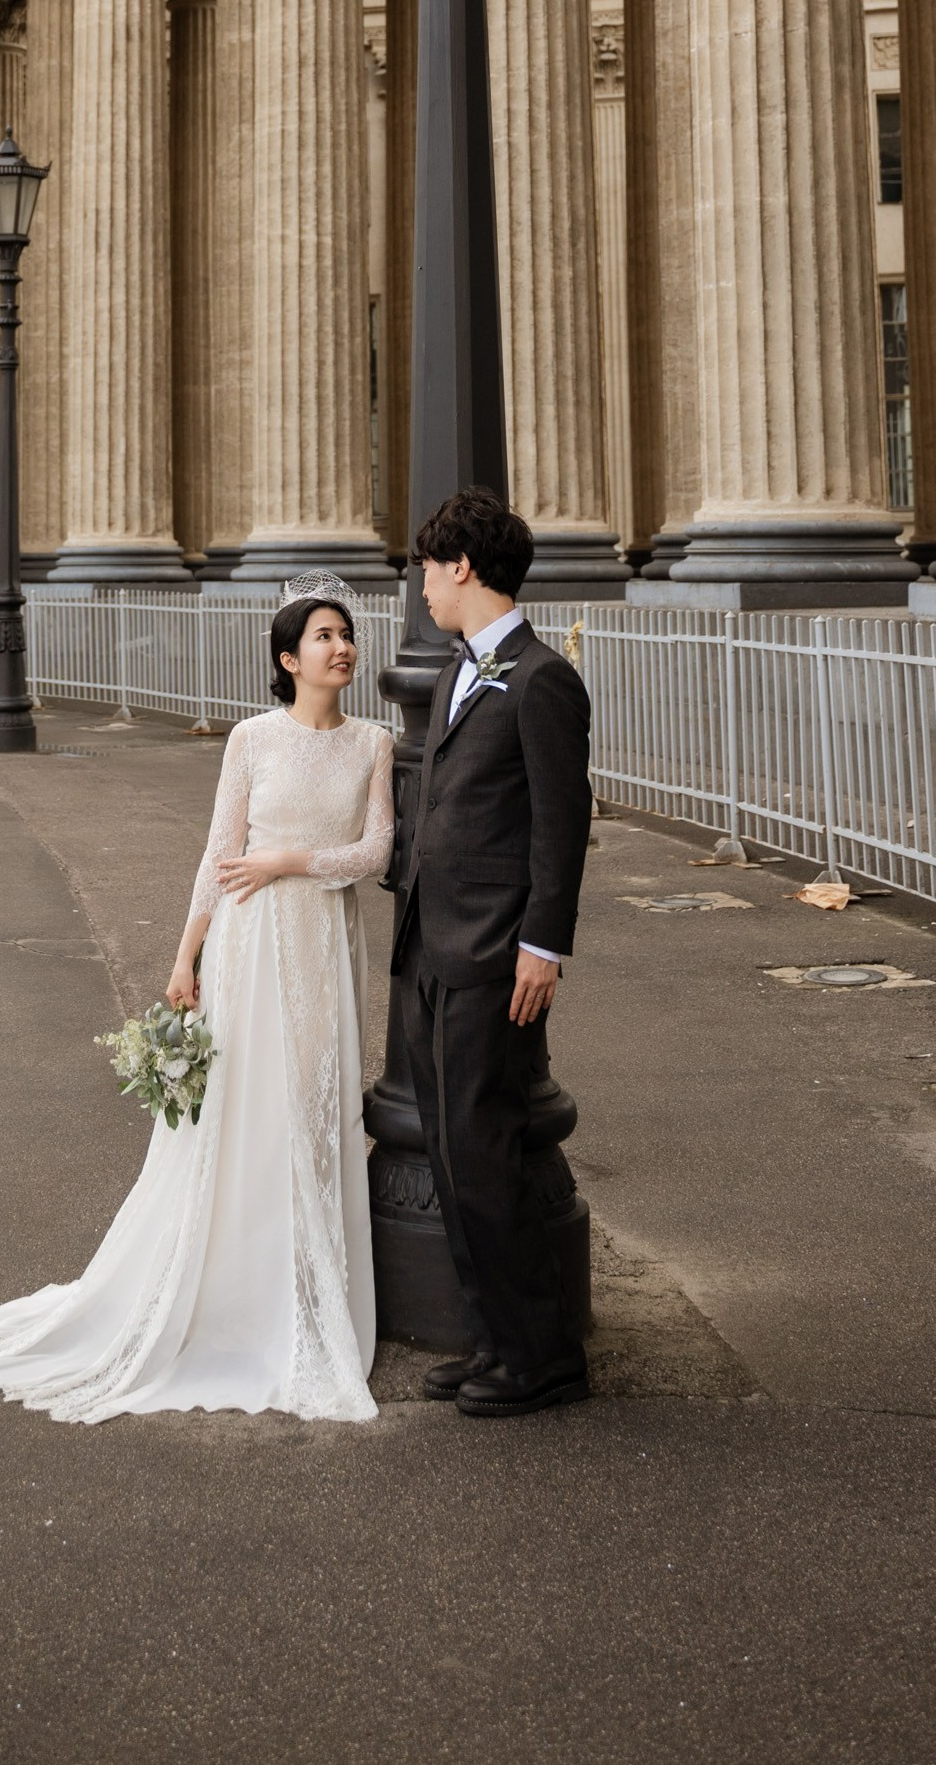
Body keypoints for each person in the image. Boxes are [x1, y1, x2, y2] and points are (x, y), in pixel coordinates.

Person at [0, 586, 394, 1423]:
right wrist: (185, 957)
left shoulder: (374, 743)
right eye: (324, 636)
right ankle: (231, 1292)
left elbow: (375, 849)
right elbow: (216, 854)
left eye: (347, 635)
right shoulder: (250, 739)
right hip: (248, 942)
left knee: (312, 1103)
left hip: (319, 945)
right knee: (243, 1114)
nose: (341, 648)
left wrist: (287, 860)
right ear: (287, 659)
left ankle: (306, 1289)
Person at [390, 486, 594, 1418]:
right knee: (448, 1153)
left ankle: (540, 1357)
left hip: (496, 956)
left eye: (427, 568)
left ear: (460, 566)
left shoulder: (543, 678)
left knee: (486, 1156)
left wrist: (542, 948)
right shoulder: (455, 673)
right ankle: (490, 1341)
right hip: (430, 947)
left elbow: (561, 824)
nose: (422, 586)